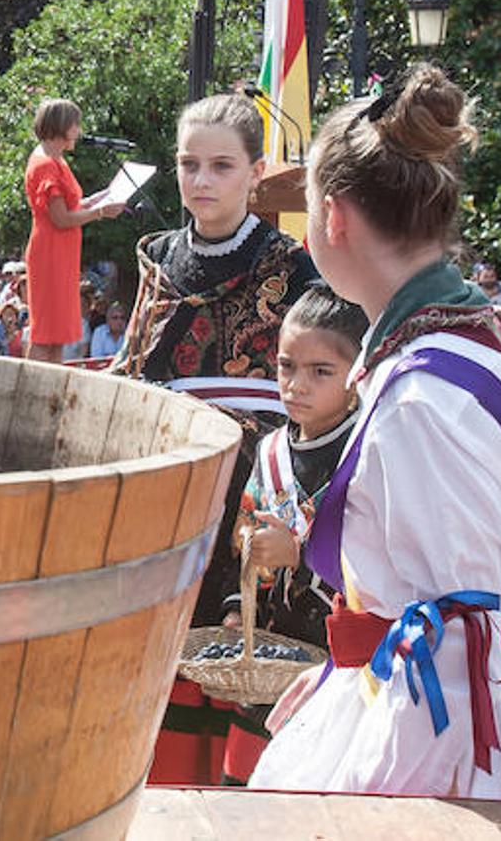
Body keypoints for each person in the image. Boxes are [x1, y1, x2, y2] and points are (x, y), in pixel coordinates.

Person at [247, 64, 501, 808]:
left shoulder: (418, 398)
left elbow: (454, 641)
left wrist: (374, 783)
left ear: (332, 219)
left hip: (470, 720)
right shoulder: (471, 335)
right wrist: (350, 672)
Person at [122, 93, 319, 788]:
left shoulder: (294, 269)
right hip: (171, 479)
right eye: (187, 164)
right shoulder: (155, 261)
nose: (200, 180)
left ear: (254, 172)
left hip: (254, 482)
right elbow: (137, 368)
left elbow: (315, 389)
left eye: (220, 166)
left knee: (239, 644)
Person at [217, 287, 368, 784]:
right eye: (286, 367)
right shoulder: (270, 450)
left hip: (340, 666)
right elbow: (241, 531)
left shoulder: (368, 452)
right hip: (270, 658)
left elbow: (381, 563)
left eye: (320, 371)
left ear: (356, 377)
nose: (296, 385)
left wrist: (301, 559)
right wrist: (237, 606)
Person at [23, 99, 126, 362]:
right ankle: (33, 395)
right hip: (50, 253)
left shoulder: (56, 160)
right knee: (45, 334)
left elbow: (69, 206)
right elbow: (60, 219)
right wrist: (101, 212)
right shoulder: (46, 163)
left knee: (56, 335)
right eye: (74, 125)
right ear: (61, 126)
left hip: (60, 252)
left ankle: (52, 397)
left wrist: (98, 199)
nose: (78, 131)